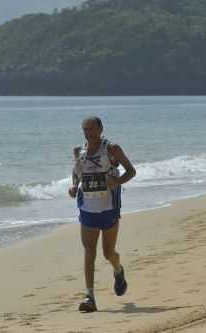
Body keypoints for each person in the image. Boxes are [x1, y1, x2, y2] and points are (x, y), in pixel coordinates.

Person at [68, 116, 136, 312]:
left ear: (100, 129)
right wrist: (74, 187)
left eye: (91, 129)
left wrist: (117, 182)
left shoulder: (112, 149)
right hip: (87, 208)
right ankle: (90, 297)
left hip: (108, 207)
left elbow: (131, 171)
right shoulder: (78, 152)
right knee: (89, 251)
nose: (88, 133)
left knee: (108, 253)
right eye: (85, 130)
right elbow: (77, 174)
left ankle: (118, 269)